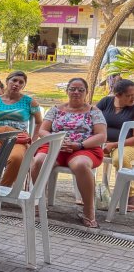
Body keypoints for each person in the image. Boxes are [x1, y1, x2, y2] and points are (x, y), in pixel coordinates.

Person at [31, 77, 107, 229]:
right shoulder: (55, 109)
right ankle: (39, 201)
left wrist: (78, 145)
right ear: (67, 91)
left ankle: (88, 210)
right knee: (39, 161)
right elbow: (43, 130)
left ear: (86, 92)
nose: (76, 92)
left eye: (80, 89)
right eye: (72, 89)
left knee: (80, 165)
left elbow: (101, 135)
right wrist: (56, 141)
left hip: (84, 148)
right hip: (55, 147)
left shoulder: (94, 111)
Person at [0, 71, 42, 186]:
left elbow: (39, 123)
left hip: (17, 138)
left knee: (16, 158)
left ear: (24, 85)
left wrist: (33, 142)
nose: (16, 84)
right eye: (14, 80)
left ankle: (2, 189)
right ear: (7, 81)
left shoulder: (30, 102)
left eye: (21, 82)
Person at [98, 79, 134, 212]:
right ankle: (91, 193)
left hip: (127, 144)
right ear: (117, 95)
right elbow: (92, 120)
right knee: (85, 155)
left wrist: (114, 144)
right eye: (129, 95)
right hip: (102, 143)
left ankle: (130, 196)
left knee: (120, 158)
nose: (133, 98)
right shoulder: (105, 102)